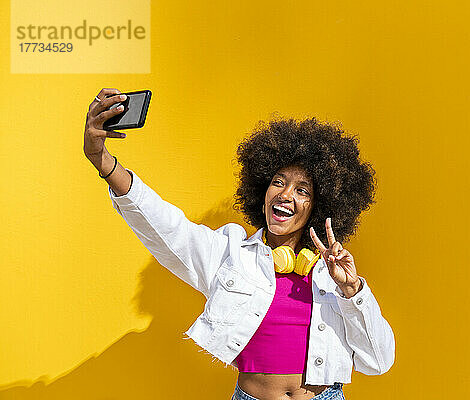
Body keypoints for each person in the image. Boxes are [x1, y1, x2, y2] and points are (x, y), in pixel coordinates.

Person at [84, 88, 395, 400]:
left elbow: (379, 361)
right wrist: (104, 161)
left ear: (319, 206)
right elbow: (166, 226)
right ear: (261, 195)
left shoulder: (333, 274)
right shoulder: (230, 254)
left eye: (303, 190)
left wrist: (353, 291)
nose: (286, 195)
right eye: (278, 182)